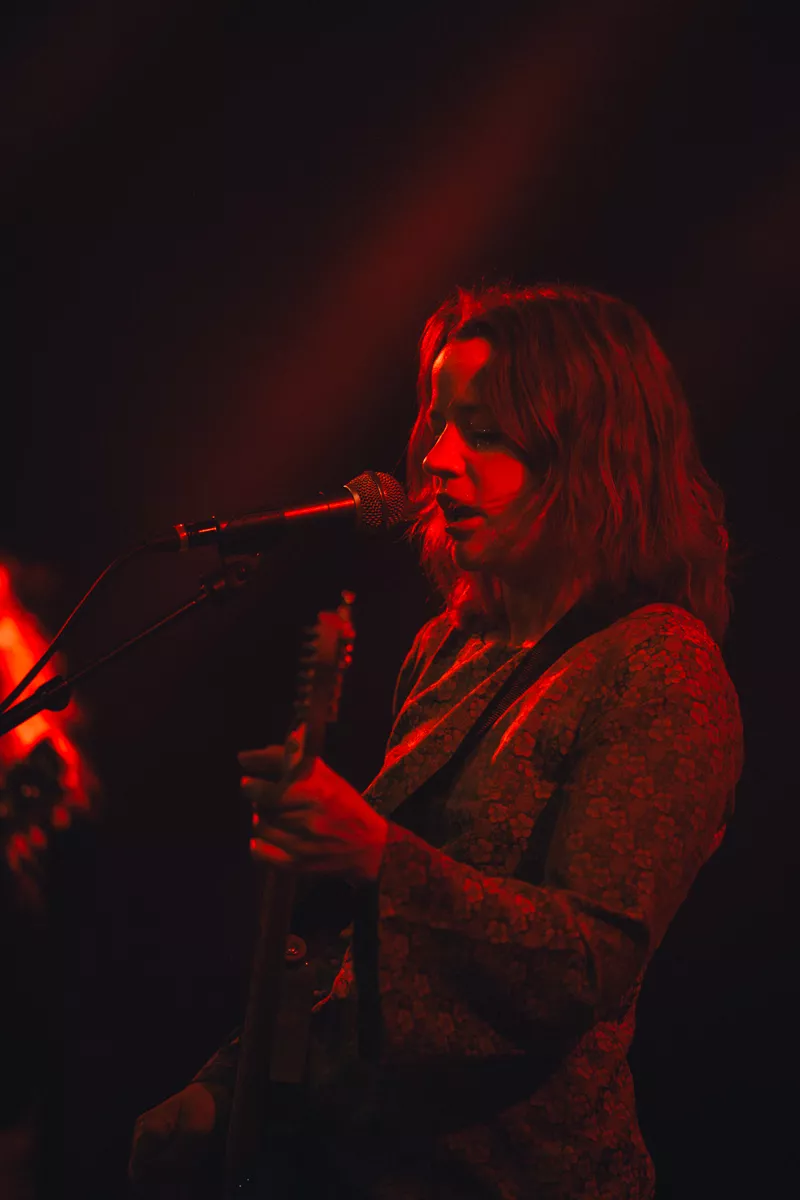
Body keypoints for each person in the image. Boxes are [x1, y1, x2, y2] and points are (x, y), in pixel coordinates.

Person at [129, 284, 743, 1199]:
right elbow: (354, 952)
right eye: (442, 424)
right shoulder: (449, 644)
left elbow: (586, 966)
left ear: (588, 453)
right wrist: (224, 1090)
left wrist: (379, 854)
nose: (438, 459)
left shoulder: (659, 665)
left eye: (485, 432)